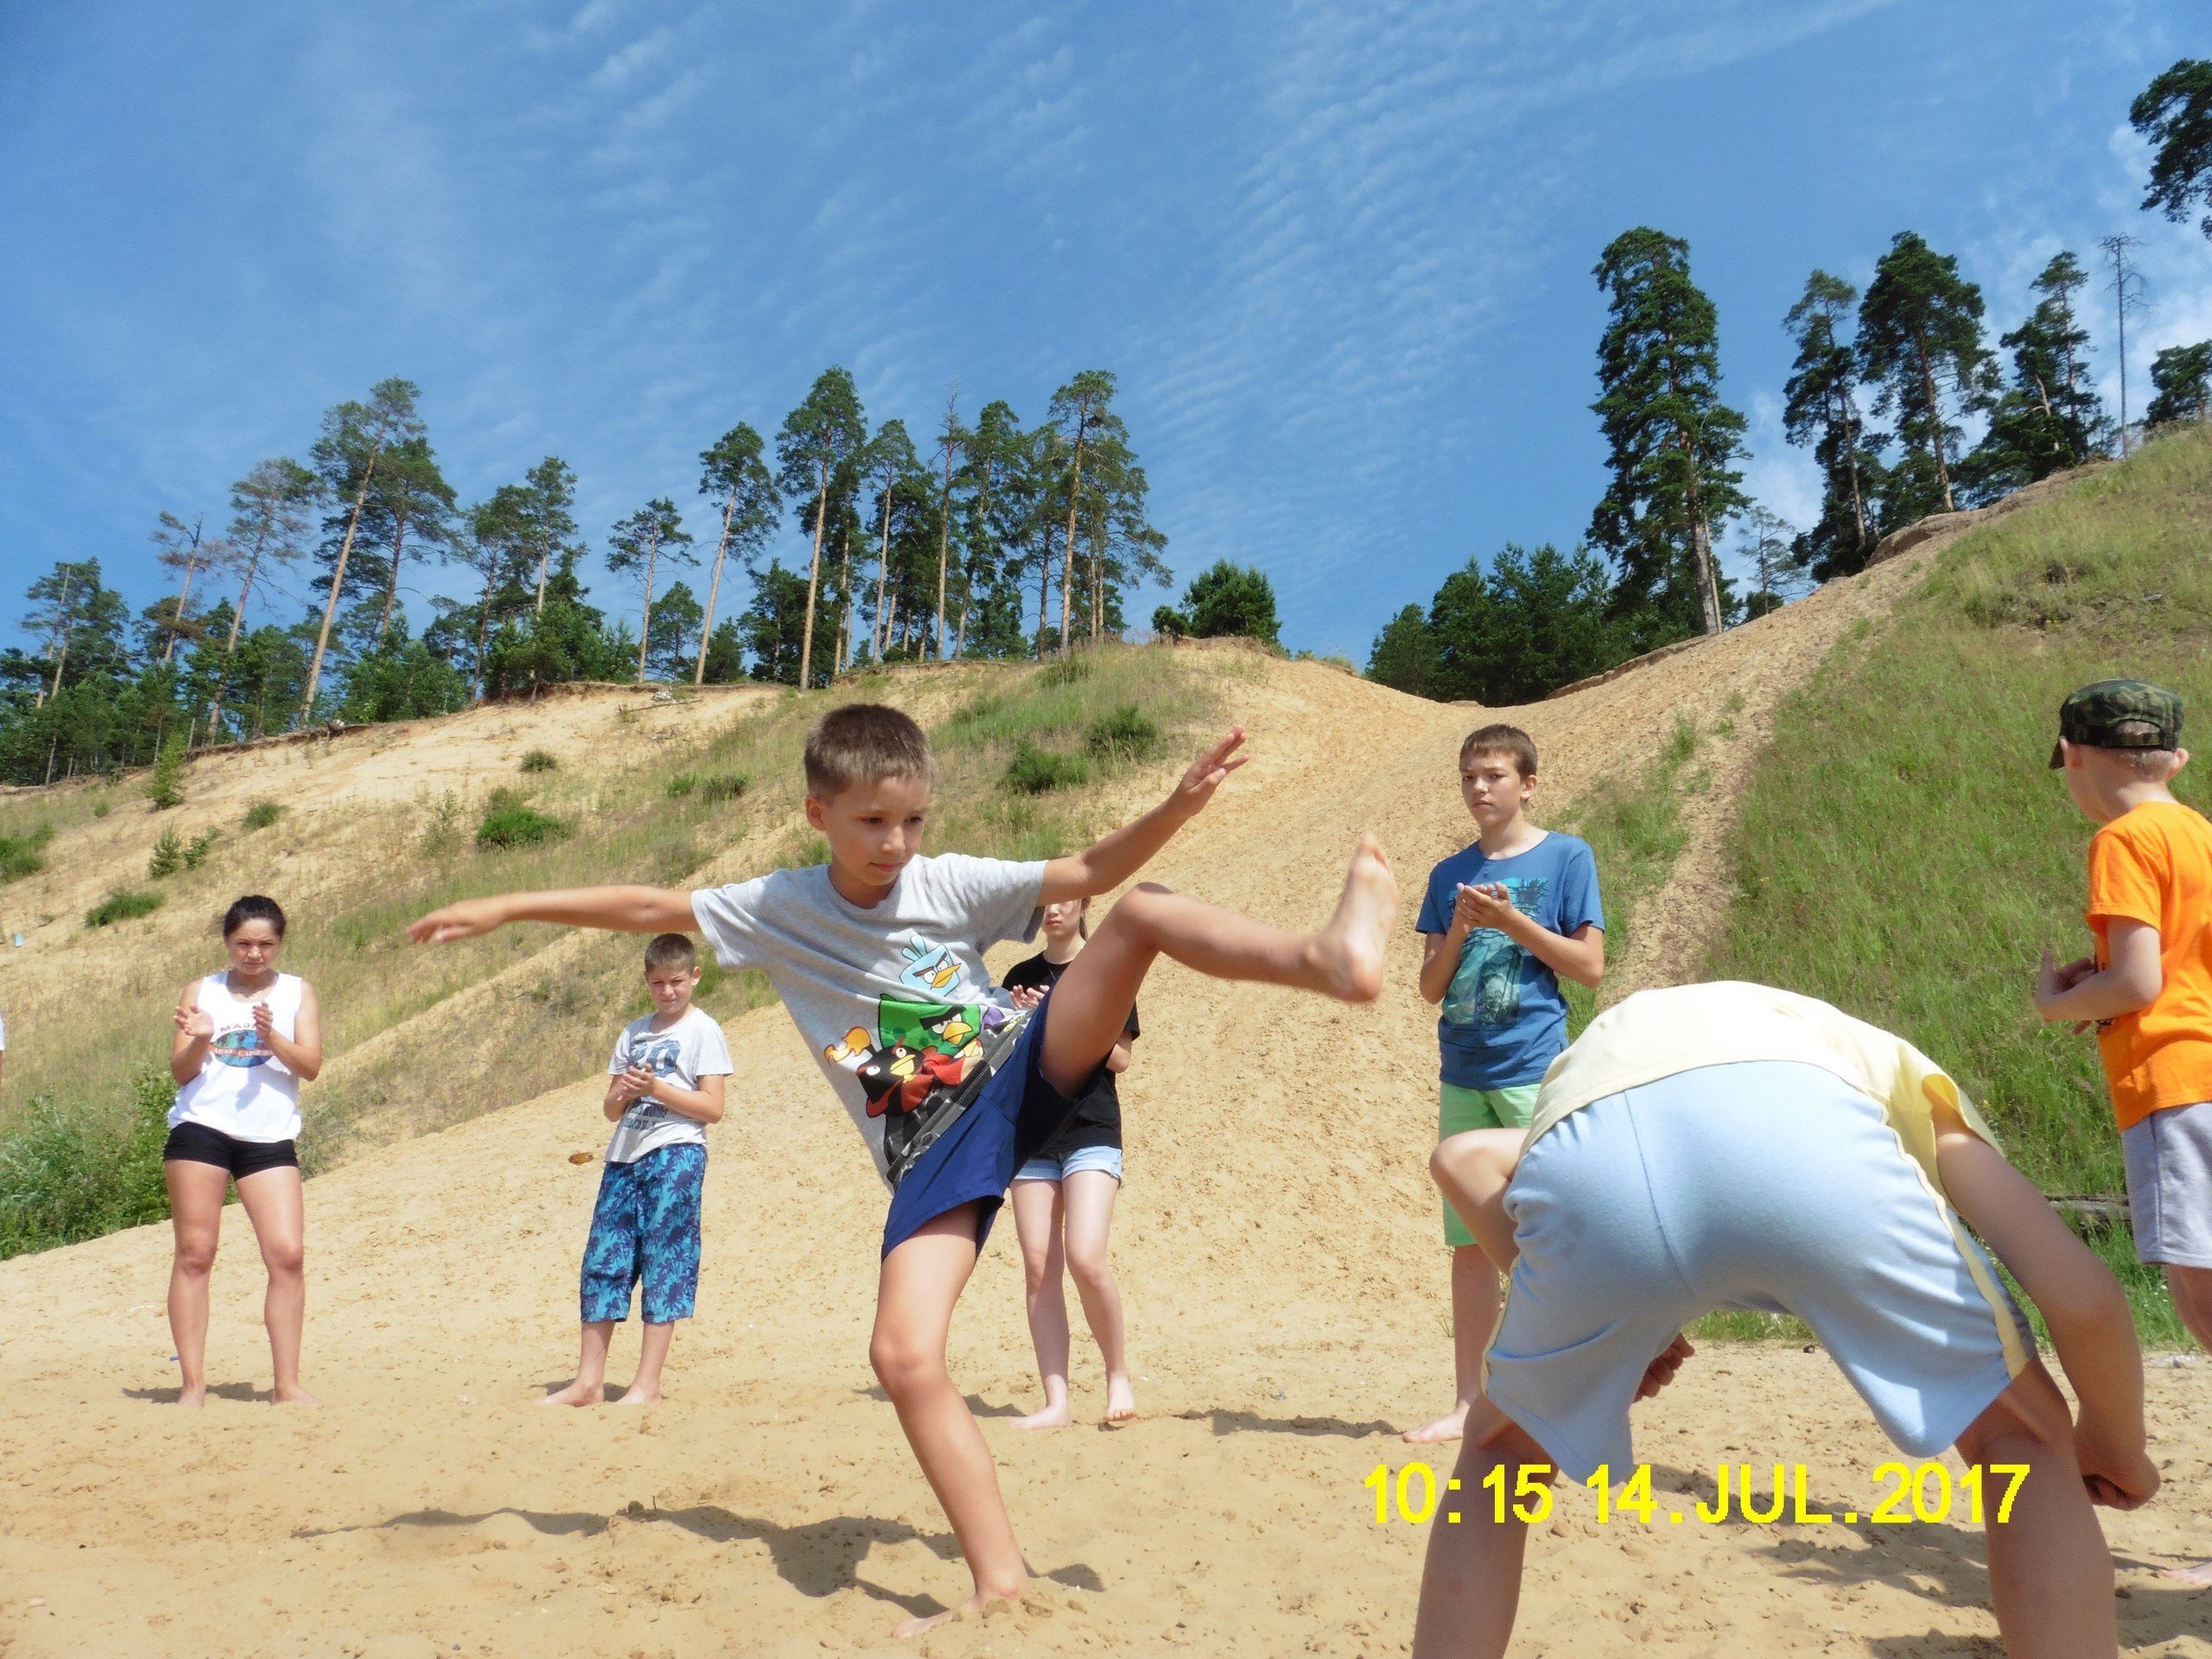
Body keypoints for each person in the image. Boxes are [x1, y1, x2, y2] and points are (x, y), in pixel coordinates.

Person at [409, 702, 1397, 1635]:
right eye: (872, 821)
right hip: (930, 1148)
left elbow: (1091, 864)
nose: (895, 843)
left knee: (1138, 910)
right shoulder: (776, 907)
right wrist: (506, 905)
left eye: (913, 819)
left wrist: (1181, 801)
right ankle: (1000, 1578)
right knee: (904, 1356)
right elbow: (644, 904)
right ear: (818, 813)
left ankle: (1326, 958)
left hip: (1021, 1059)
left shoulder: (949, 882)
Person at [1412, 982, 2158, 1659]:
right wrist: (2115, 1448)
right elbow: (2084, 1298)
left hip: (1596, 1135)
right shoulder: (1910, 1085)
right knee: (2019, 1437)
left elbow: (1462, 1156)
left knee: (1500, 1457)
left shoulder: (1630, 1064)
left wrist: (1612, 1323)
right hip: (1810, 1132)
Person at [2035, 677, 2212, 1586]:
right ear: (2174, 759)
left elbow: (2140, 986)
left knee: (2205, 1305)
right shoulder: (2197, 832)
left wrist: (2061, 1000)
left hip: (2176, 1086)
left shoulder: (2122, 838)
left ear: (2073, 755)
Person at [1404, 723, 1602, 1446]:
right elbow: (1429, 988)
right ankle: (1468, 1402)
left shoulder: (1567, 856)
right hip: (1463, 1072)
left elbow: (1589, 967)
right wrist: (1460, 924)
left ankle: (1566, 1395)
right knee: (1471, 1246)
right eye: (1468, 776)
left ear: (1528, 783)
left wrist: (1511, 921)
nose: (1478, 788)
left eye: (1492, 775)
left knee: (1550, 1233)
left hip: (1534, 1069)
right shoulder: (1446, 873)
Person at [542, 932, 731, 1408]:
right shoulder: (634, 1032)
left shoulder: (703, 1030)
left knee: (665, 1259)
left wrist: (658, 1088)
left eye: (675, 982)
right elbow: (610, 1110)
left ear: (694, 977)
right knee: (603, 1261)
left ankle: (646, 1386)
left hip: (677, 1152)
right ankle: (588, 1383)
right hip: (623, 1155)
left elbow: (712, 1108)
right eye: (657, 984)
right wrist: (624, 1091)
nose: (667, 992)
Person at [164, 894, 325, 1408]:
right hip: (201, 1128)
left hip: (270, 1134)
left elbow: (311, 1066)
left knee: (288, 1255)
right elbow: (182, 1071)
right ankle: (193, 1386)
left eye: (265, 944)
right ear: (228, 942)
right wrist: (199, 1038)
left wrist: (270, 1035)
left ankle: (287, 1386)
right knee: (195, 1255)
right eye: (244, 944)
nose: (254, 954)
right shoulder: (202, 990)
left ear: (279, 944)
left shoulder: (299, 991)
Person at [1001, 895, 1140, 1428]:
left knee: (1085, 1256)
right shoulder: (1020, 974)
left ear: (1085, 905)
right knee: (1039, 1268)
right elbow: (1002, 1057)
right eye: (1044, 903)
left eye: (1064, 901)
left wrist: (1057, 1011)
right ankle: (1056, 1402)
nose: (1053, 911)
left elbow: (1121, 1058)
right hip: (1033, 1133)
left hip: (1090, 1128)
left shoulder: (1108, 967)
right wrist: (1016, 1020)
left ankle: (1117, 1376)